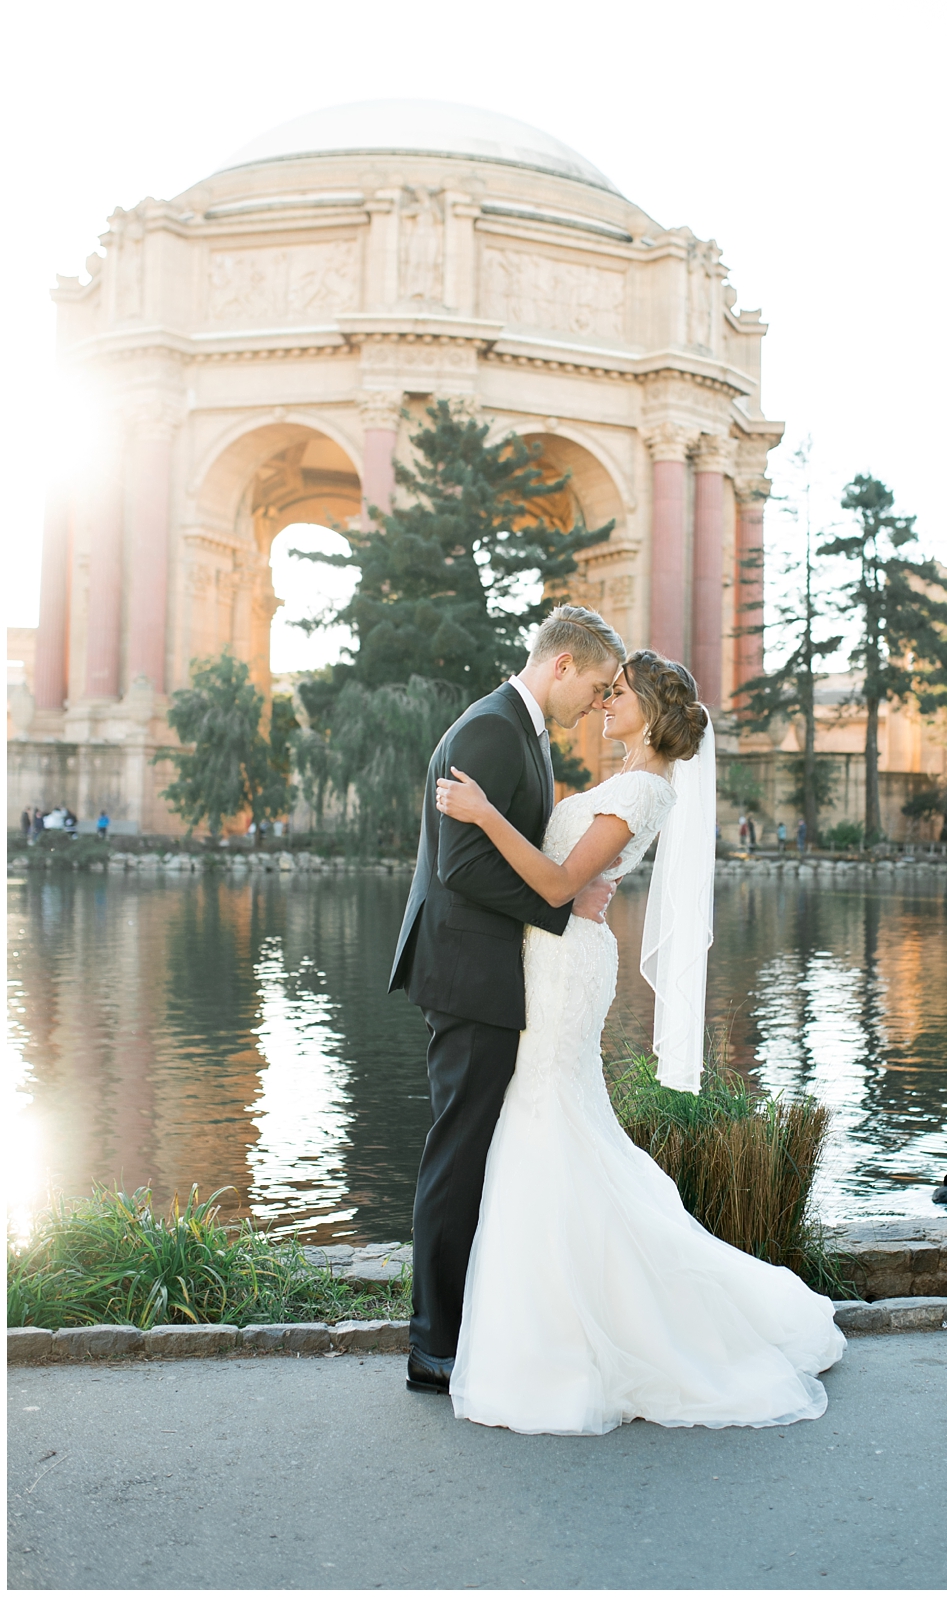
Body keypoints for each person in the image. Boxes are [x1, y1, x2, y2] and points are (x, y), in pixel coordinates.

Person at [433, 648, 844, 1433]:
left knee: (545, 1120)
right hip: (550, 957)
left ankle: (563, 1339)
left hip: (565, 965)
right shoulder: (622, 783)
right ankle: (559, 1319)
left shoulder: (646, 789)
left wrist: (484, 814)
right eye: (605, 691)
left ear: (651, 712)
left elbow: (556, 887)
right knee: (561, 1126)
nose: (603, 705)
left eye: (616, 695)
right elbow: (563, 875)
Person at [390, 606, 627, 1396]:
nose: (597, 703)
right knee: (457, 1153)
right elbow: (462, 867)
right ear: (561, 664)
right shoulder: (492, 729)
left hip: (486, 968)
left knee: (474, 1149)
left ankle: (462, 1326)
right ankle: (432, 1345)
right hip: (465, 970)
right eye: (595, 686)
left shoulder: (523, 731)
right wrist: (563, 907)